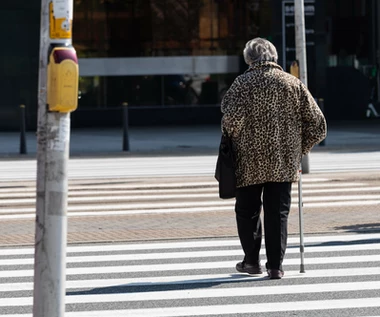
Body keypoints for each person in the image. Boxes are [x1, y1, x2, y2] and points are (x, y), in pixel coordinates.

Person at [221, 38, 326, 279]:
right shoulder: (293, 83)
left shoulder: (241, 84)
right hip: (283, 162)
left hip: (248, 161)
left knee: (247, 210)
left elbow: (230, 122)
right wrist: (299, 149)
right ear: (275, 56)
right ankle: (276, 266)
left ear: (249, 58)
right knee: (277, 212)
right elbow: (319, 126)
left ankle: (251, 262)